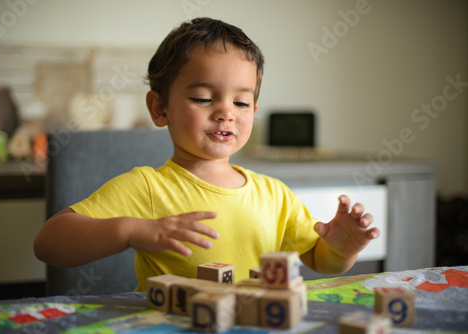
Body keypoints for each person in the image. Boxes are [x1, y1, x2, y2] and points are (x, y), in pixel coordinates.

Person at [34, 17, 379, 292]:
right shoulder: (147, 188)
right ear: (160, 107)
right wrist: (130, 230)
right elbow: (49, 244)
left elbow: (320, 261)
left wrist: (344, 249)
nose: (226, 112)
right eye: (203, 98)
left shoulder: (275, 195)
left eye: (241, 102)